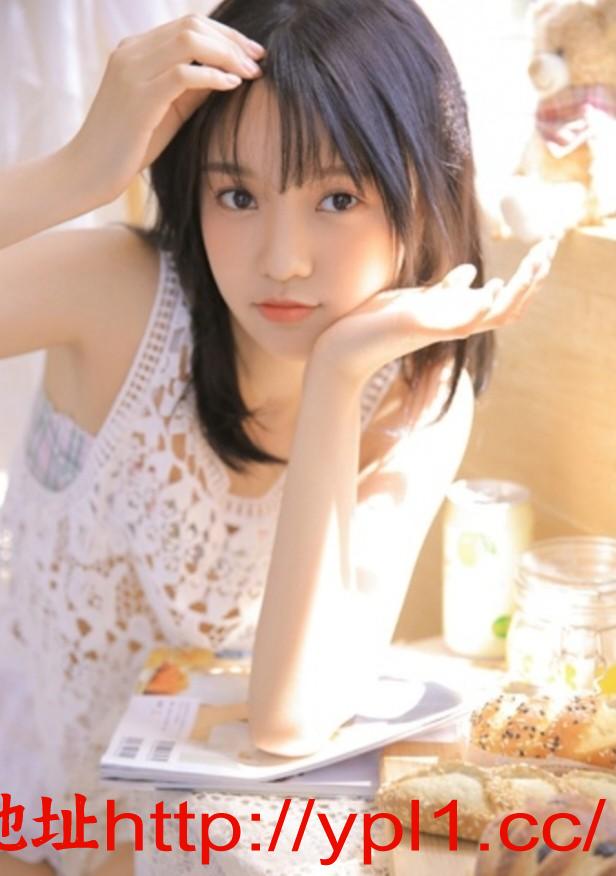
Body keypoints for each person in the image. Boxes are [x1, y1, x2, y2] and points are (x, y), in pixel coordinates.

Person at [0, 1, 557, 873]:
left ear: (424, 183)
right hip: (34, 819)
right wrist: (80, 170)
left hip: (198, 838)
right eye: (238, 195)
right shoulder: (118, 294)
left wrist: (338, 377)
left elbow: (291, 719)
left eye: (337, 197)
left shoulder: (413, 385)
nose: (283, 259)